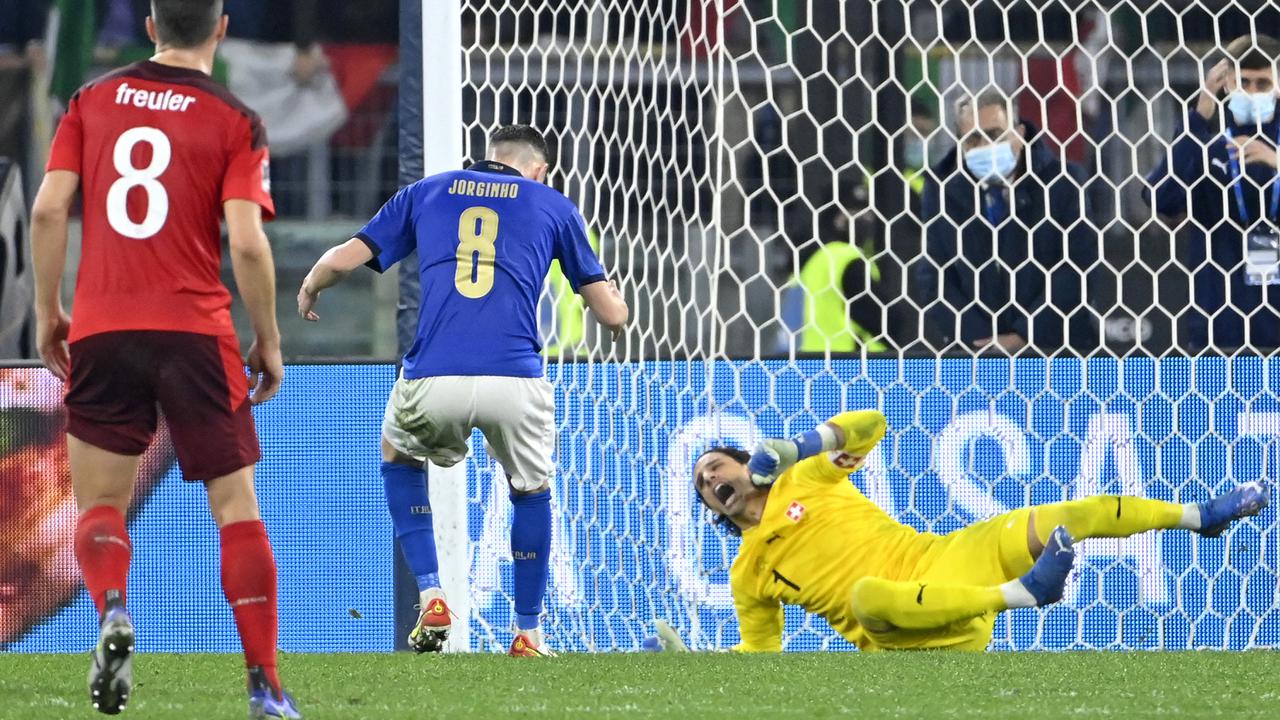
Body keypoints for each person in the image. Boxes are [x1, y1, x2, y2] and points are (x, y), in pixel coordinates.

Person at [29, 1, 300, 717]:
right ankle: (265, 685)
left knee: (100, 505)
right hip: (194, 332)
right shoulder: (235, 118)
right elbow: (247, 243)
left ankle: (114, 608)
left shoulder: (90, 99)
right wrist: (268, 338)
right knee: (236, 508)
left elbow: (48, 210)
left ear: (150, 26)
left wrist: (49, 312)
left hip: (103, 327)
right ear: (222, 28)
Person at [298, 125, 629, 657]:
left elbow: (342, 259)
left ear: (486, 157)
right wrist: (619, 308)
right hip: (515, 380)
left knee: (399, 456)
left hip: (435, 376)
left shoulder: (427, 191)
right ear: (539, 170)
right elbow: (610, 314)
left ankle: (432, 593)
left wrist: (312, 282)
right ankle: (528, 633)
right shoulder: (553, 205)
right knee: (531, 491)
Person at [692, 410, 1269, 651]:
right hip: (907, 637)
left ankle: (1201, 517)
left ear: (743, 463)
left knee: (1073, 514)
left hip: (948, 561)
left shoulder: (807, 477)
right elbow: (760, 656)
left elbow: (871, 424)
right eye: (702, 482)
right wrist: (693, 661)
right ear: (714, 507)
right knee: (866, 595)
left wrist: (799, 446)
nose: (712, 477)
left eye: (716, 465)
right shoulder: (748, 572)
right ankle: (1025, 593)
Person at [916, 89, 1096, 354]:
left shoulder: (1064, 183)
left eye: (995, 135)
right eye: (973, 139)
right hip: (974, 355)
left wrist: (1023, 336)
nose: (985, 147)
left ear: (1019, 134)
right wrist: (984, 343)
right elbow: (934, 278)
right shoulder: (942, 190)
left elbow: (1078, 268)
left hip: (1055, 353)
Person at [1145, 35, 1280, 352]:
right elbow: (1160, 198)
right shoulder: (1206, 149)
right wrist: (1199, 114)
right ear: (1226, 83)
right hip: (1216, 336)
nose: (1252, 92)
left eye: (1262, 83)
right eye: (1243, 82)